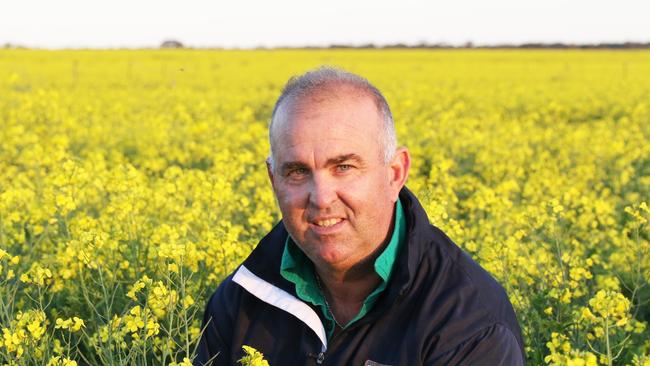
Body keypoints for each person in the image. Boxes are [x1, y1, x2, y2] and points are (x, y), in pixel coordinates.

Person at [195, 67, 525, 365]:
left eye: (344, 167)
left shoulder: (468, 324)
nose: (321, 198)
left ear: (395, 173)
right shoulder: (243, 297)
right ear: (273, 179)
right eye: (297, 171)